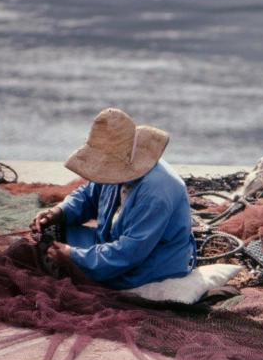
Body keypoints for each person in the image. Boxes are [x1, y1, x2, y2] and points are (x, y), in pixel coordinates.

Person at [30, 108, 197, 289]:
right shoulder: (117, 165)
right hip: (113, 241)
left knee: (73, 271)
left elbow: (129, 253)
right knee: (50, 234)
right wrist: (59, 212)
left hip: (151, 261)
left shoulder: (157, 191)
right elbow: (88, 197)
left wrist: (73, 256)